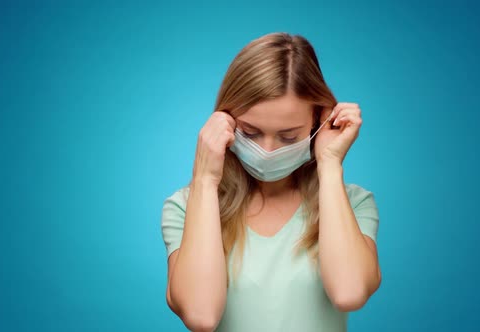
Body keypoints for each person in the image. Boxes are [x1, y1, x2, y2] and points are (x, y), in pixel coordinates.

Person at [161, 32, 381, 332]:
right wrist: (204, 179)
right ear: (225, 119)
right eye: (250, 132)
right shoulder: (187, 207)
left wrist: (329, 165)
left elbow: (350, 293)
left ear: (318, 121)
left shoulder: (353, 204)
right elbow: (200, 316)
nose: (267, 151)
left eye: (288, 135)